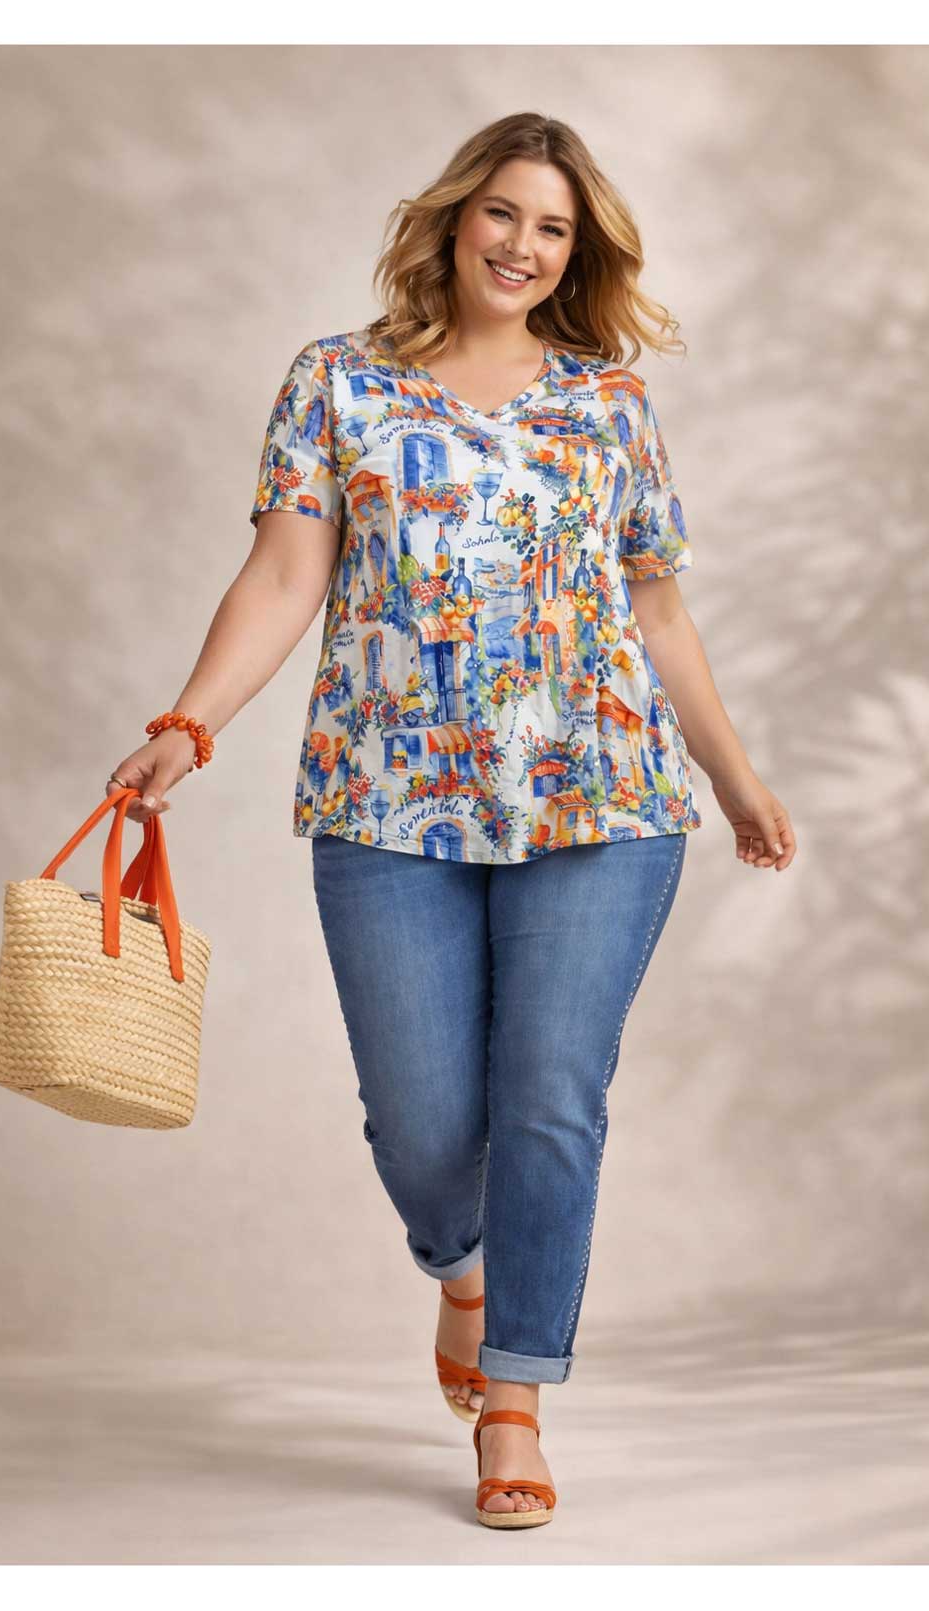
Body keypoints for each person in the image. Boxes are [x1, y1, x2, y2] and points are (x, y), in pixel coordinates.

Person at [106, 111, 797, 1531]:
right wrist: (191, 721)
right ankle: (462, 1272)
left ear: (577, 253)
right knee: (421, 1121)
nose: (523, 247)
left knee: (551, 1094)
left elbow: (657, 608)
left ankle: (516, 1400)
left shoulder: (609, 401)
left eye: (553, 228)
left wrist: (733, 775)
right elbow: (285, 578)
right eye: (504, 215)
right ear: (453, 218)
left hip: (602, 795)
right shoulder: (337, 382)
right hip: (384, 798)